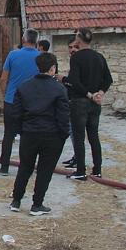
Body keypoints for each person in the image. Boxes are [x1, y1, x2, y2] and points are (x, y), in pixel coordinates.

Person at [8, 52, 70, 216]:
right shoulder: (59, 89)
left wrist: (22, 130)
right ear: (53, 69)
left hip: (29, 133)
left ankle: (16, 200)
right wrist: (64, 134)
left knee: (25, 167)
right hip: (52, 135)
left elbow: (16, 113)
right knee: (45, 170)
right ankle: (37, 204)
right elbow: (63, 116)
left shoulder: (24, 87)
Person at [66, 28, 113, 180]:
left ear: (78, 40)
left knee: (79, 138)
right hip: (95, 104)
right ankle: (97, 170)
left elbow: (74, 81)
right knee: (94, 136)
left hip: (80, 102)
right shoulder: (99, 57)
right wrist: (100, 93)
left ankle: (80, 171)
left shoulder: (76, 58)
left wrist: (89, 95)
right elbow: (108, 79)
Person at [0, 29, 41, 175]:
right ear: (37, 41)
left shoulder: (13, 55)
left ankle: (4, 166)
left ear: (23, 39)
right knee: (29, 136)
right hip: (32, 103)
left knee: (8, 135)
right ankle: (27, 165)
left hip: (12, 101)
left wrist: (5, 95)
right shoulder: (41, 57)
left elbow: (4, 79)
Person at [58, 37, 80, 168]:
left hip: (78, 102)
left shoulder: (80, 62)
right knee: (73, 131)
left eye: (75, 47)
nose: (72, 50)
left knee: (75, 131)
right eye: (70, 47)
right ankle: (76, 156)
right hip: (72, 101)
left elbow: (75, 83)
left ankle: (78, 159)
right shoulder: (74, 62)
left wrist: (63, 79)